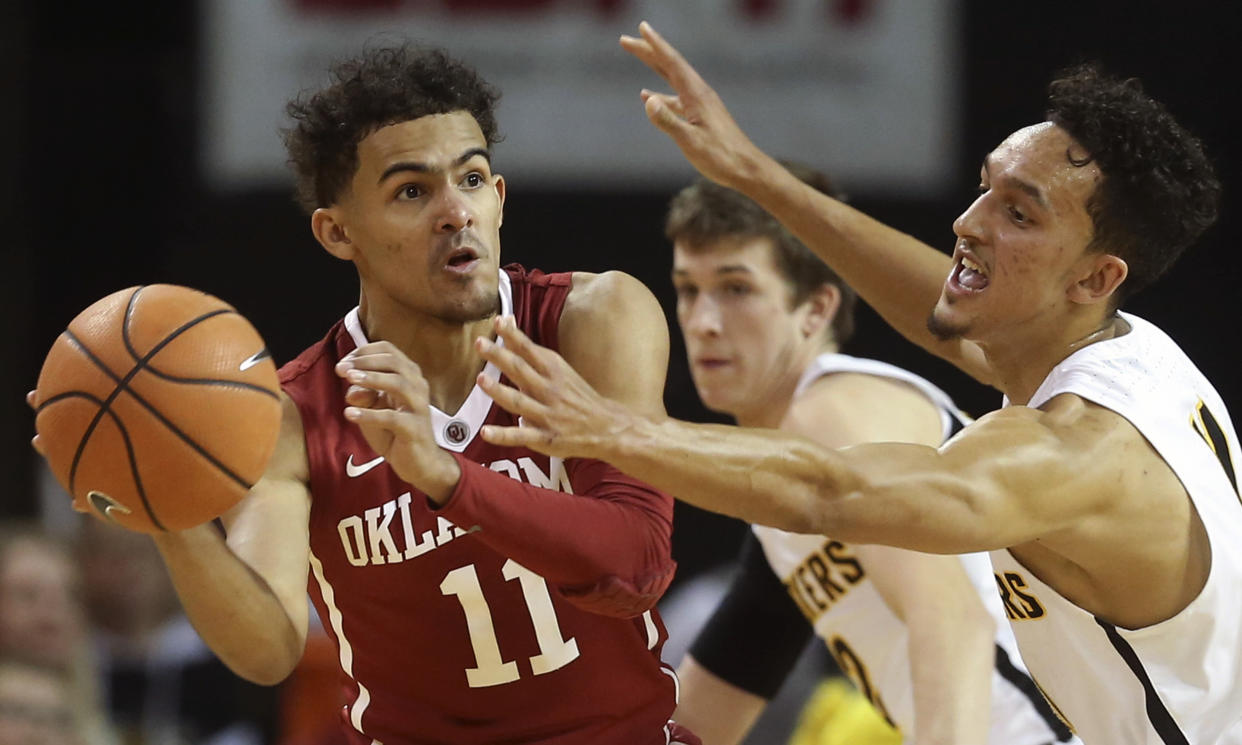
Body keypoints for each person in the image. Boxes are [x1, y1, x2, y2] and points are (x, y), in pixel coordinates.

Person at [472, 22, 1241, 745]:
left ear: (1095, 276)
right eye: (984, 187)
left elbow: (835, 495)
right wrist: (754, 174)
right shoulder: (1118, 347)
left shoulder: (1075, 449)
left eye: (1019, 213)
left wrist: (616, 431)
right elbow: (941, 302)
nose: (969, 223)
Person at [31, 44, 694, 745]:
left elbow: (638, 563)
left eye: (470, 179)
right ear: (337, 231)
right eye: (412, 191)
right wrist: (168, 514)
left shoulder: (591, 321)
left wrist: (445, 478)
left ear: (497, 199)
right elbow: (268, 647)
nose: (453, 213)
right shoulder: (292, 411)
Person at [661, 166, 1071, 745]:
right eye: (688, 289)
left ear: (815, 309)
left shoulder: (833, 410)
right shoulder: (789, 488)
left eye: (736, 288)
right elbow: (708, 709)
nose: (702, 322)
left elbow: (953, 622)